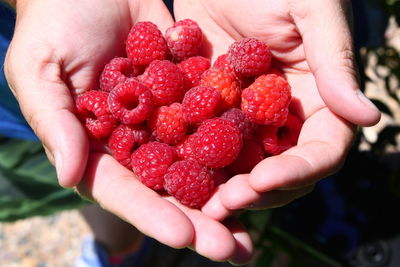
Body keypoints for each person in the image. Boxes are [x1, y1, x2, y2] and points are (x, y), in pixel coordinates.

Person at [2, 0, 381, 265]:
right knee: (75, 161)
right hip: (52, 58)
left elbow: (208, 122)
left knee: (306, 157)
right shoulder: (146, 102)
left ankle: (116, 247)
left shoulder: (214, 99)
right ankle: (115, 247)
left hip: (235, 28)